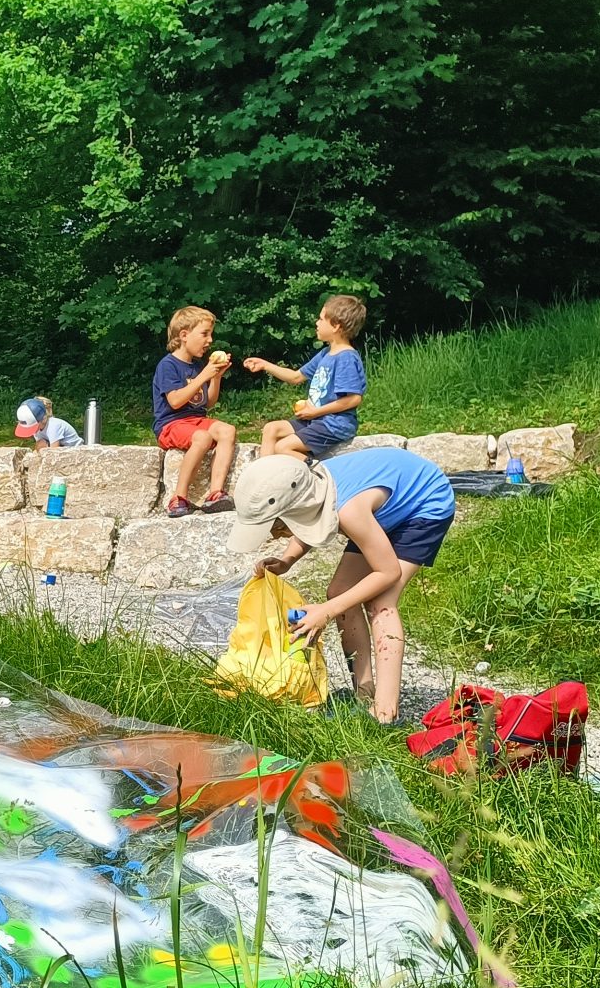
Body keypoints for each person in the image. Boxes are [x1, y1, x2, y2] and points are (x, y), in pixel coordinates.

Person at [228, 447, 457, 726]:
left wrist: (326, 612)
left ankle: (385, 712)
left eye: (279, 528)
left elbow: (388, 572)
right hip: (384, 508)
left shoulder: (350, 511)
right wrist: (288, 560)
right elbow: (309, 519)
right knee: (338, 592)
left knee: (380, 603)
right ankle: (363, 692)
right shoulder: (313, 489)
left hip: (424, 505)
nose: (280, 533)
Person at [246, 295, 368, 460]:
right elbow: (296, 377)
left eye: (321, 319)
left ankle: (318, 473)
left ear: (336, 326)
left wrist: (316, 411)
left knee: (282, 447)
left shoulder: (346, 357)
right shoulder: (326, 353)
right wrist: (265, 365)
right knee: (271, 429)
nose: (317, 323)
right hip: (317, 419)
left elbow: (353, 399)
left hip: (333, 425)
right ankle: (263, 476)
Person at [152, 306, 238, 517]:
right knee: (202, 437)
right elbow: (175, 401)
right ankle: (178, 497)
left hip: (196, 419)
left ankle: (215, 493)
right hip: (171, 424)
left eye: (211, 334)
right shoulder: (168, 365)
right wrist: (204, 376)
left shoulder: (199, 365)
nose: (209, 340)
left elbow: (206, 403)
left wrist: (216, 377)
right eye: (204, 334)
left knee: (227, 430)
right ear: (184, 335)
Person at [13, 396, 83, 448]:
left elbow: (53, 452)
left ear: (43, 418)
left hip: (75, 450)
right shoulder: (37, 427)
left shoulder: (54, 426)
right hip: (62, 448)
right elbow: (40, 446)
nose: (33, 431)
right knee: (40, 443)